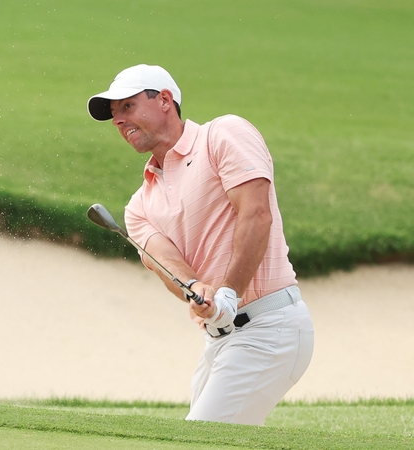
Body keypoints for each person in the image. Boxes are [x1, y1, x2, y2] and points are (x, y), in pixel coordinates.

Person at [86, 64, 315, 425]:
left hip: (270, 327)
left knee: (200, 438)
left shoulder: (222, 135)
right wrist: (197, 287)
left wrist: (228, 293)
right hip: (220, 339)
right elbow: (166, 263)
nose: (118, 120)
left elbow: (256, 215)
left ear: (165, 100)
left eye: (127, 106)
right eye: (114, 114)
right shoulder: (139, 207)